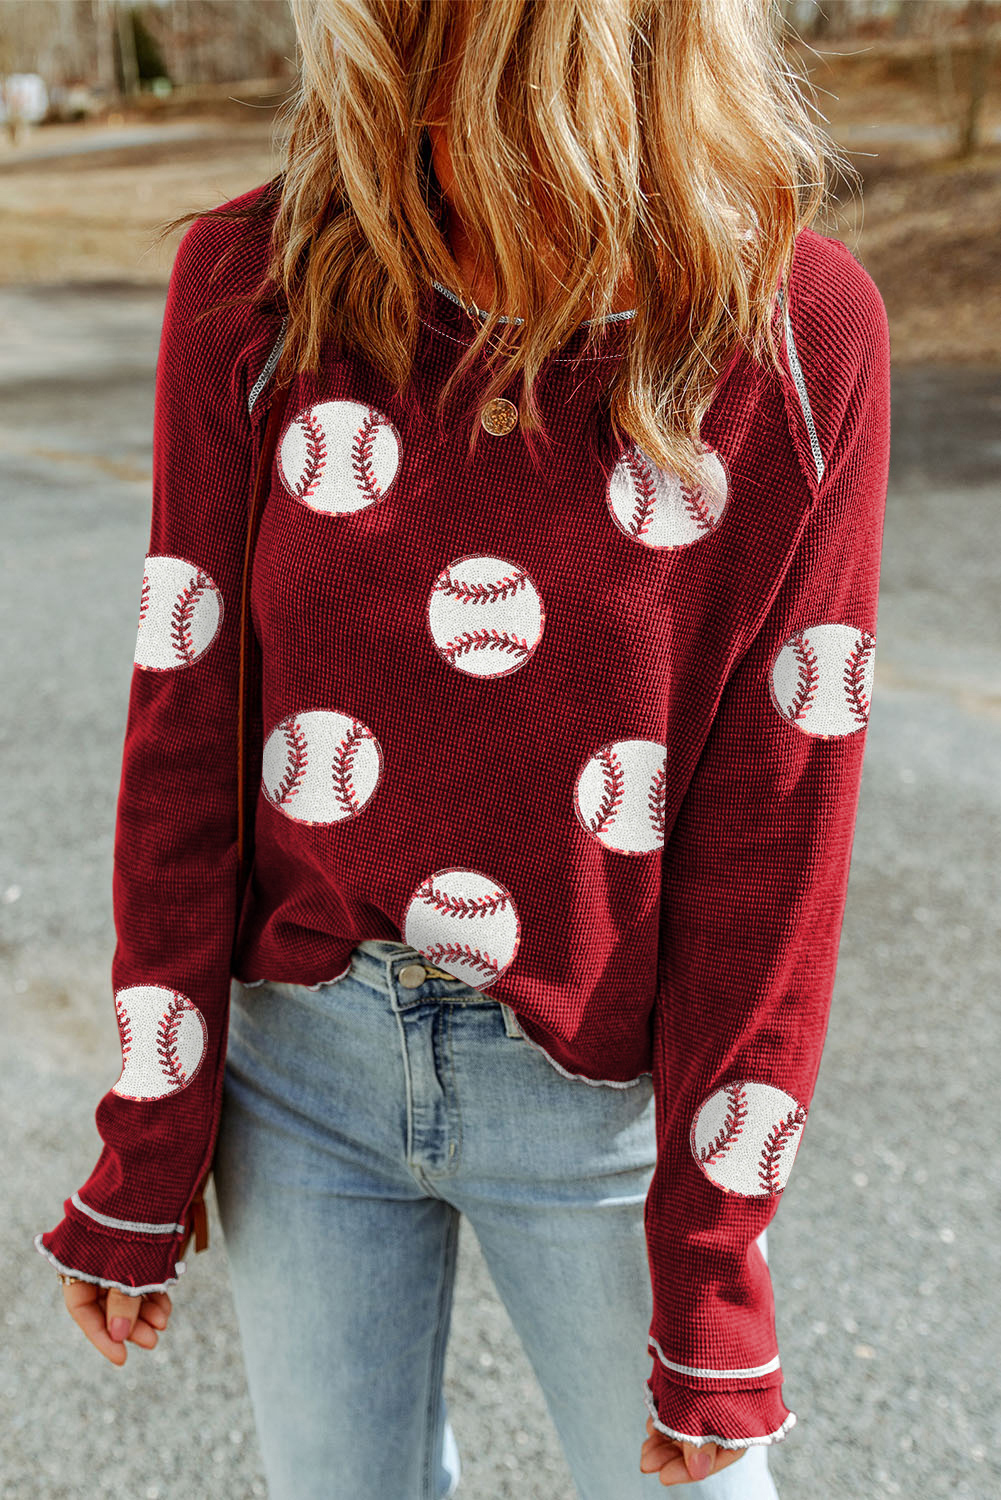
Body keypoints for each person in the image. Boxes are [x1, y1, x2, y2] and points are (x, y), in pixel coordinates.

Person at [33, 1, 891, 1495]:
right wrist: (150, 1136)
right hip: (304, 1076)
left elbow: (775, 840)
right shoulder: (252, 288)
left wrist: (710, 1278)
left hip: (604, 1105)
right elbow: (185, 736)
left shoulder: (793, 336)